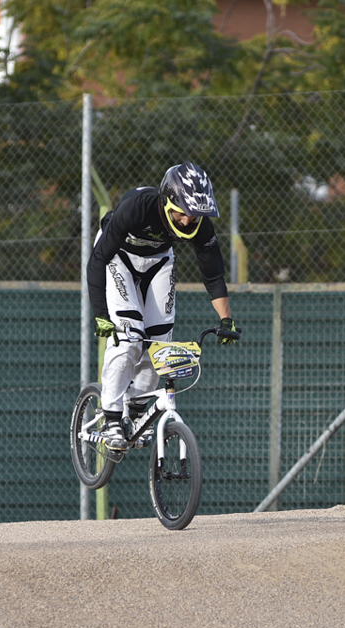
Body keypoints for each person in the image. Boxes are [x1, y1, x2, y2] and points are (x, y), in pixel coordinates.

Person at [87, 162, 240, 450]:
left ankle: (136, 410)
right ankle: (110, 416)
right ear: (168, 200)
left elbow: (213, 274)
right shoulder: (136, 208)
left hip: (158, 261)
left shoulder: (199, 225)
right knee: (129, 338)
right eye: (182, 212)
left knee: (159, 346)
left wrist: (226, 320)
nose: (186, 222)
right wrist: (101, 314)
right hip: (117, 256)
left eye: (195, 216)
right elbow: (97, 259)